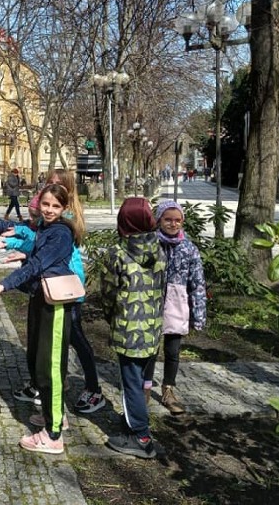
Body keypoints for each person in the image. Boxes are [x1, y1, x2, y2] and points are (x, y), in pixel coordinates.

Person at [0, 183, 81, 455]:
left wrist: (4, 285)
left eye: (55, 206)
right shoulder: (46, 228)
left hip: (55, 304)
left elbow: (41, 264)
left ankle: (54, 434)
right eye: (46, 204)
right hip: (41, 299)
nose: (49, 210)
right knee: (38, 363)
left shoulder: (61, 232)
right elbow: (39, 255)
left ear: (64, 208)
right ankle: (53, 414)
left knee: (50, 369)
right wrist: (25, 252)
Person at [10, 168, 102, 414]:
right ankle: (42, 384)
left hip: (64, 285)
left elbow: (43, 245)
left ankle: (93, 388)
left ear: (67, 190)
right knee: (42, 338)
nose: (48, 187)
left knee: (73, 337)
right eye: (47, 183)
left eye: (55, 184)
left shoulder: (65, 219)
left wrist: (19, 245)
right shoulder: (50, 210)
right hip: (46, 283)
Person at [100, 197, 167, 459]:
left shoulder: (116, 253)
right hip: (152, 328)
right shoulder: (160, 249)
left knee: (131, 383)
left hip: (128, 330)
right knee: (139, 380)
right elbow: (162, 286)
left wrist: (111, 317)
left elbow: (107, 293)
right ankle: (133, 422)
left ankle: (140, 436)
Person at [143, 200, 207, 415]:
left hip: (177, 303)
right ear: (159, 220)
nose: (172, 224)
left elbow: (197, 282)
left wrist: (198, 314)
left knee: (173, 350)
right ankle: (145, 387)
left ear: (183, 221)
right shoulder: (150, 244)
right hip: (151, 301)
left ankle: (168, 389)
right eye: (168, 219)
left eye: (177, 220)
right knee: (149, 350)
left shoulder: (189, 248)